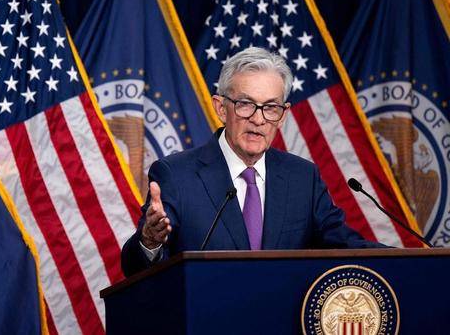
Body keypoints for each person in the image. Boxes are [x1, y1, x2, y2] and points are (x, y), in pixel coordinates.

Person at [121, 47, 382, 276]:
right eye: (245, 104)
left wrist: (403, 258)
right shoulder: (176, 176)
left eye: (270, 107)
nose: (258, 119)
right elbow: (135, 270)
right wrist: (149, 242)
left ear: (283, 116)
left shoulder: (303, 178)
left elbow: (344, 244)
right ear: (221, 108)